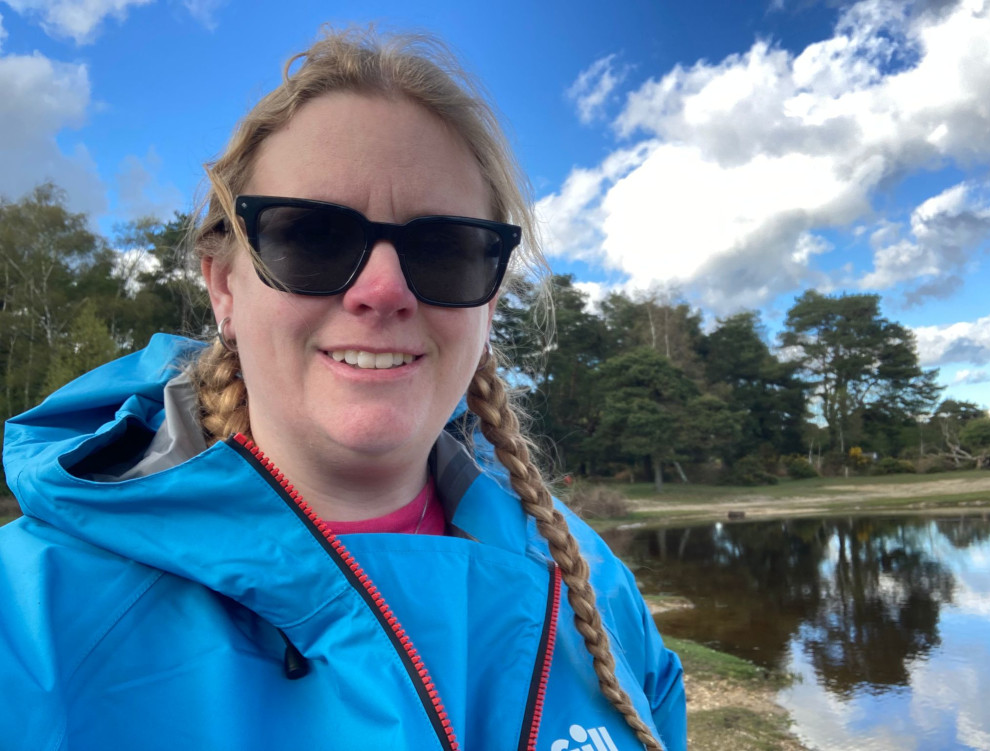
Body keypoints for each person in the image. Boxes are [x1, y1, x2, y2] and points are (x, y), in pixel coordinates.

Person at [0, 27, 685, 751]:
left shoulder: (592, 590)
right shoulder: (30, 624)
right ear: (224, 285)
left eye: (444, 248)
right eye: (311, 238)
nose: (383, 290)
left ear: (487, 300)